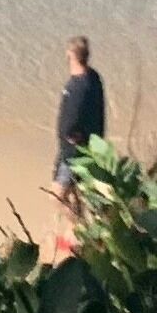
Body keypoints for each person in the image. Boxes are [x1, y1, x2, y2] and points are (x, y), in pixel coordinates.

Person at [52, 36, 106, 211]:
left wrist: (70, 135)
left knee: (58, 195)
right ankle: (77, 228)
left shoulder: (77, 87)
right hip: (88, 146)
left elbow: (71, 120)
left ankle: (75, 228)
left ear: (70, 55)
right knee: (76, 194)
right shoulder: (93, 77)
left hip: (73, 151)